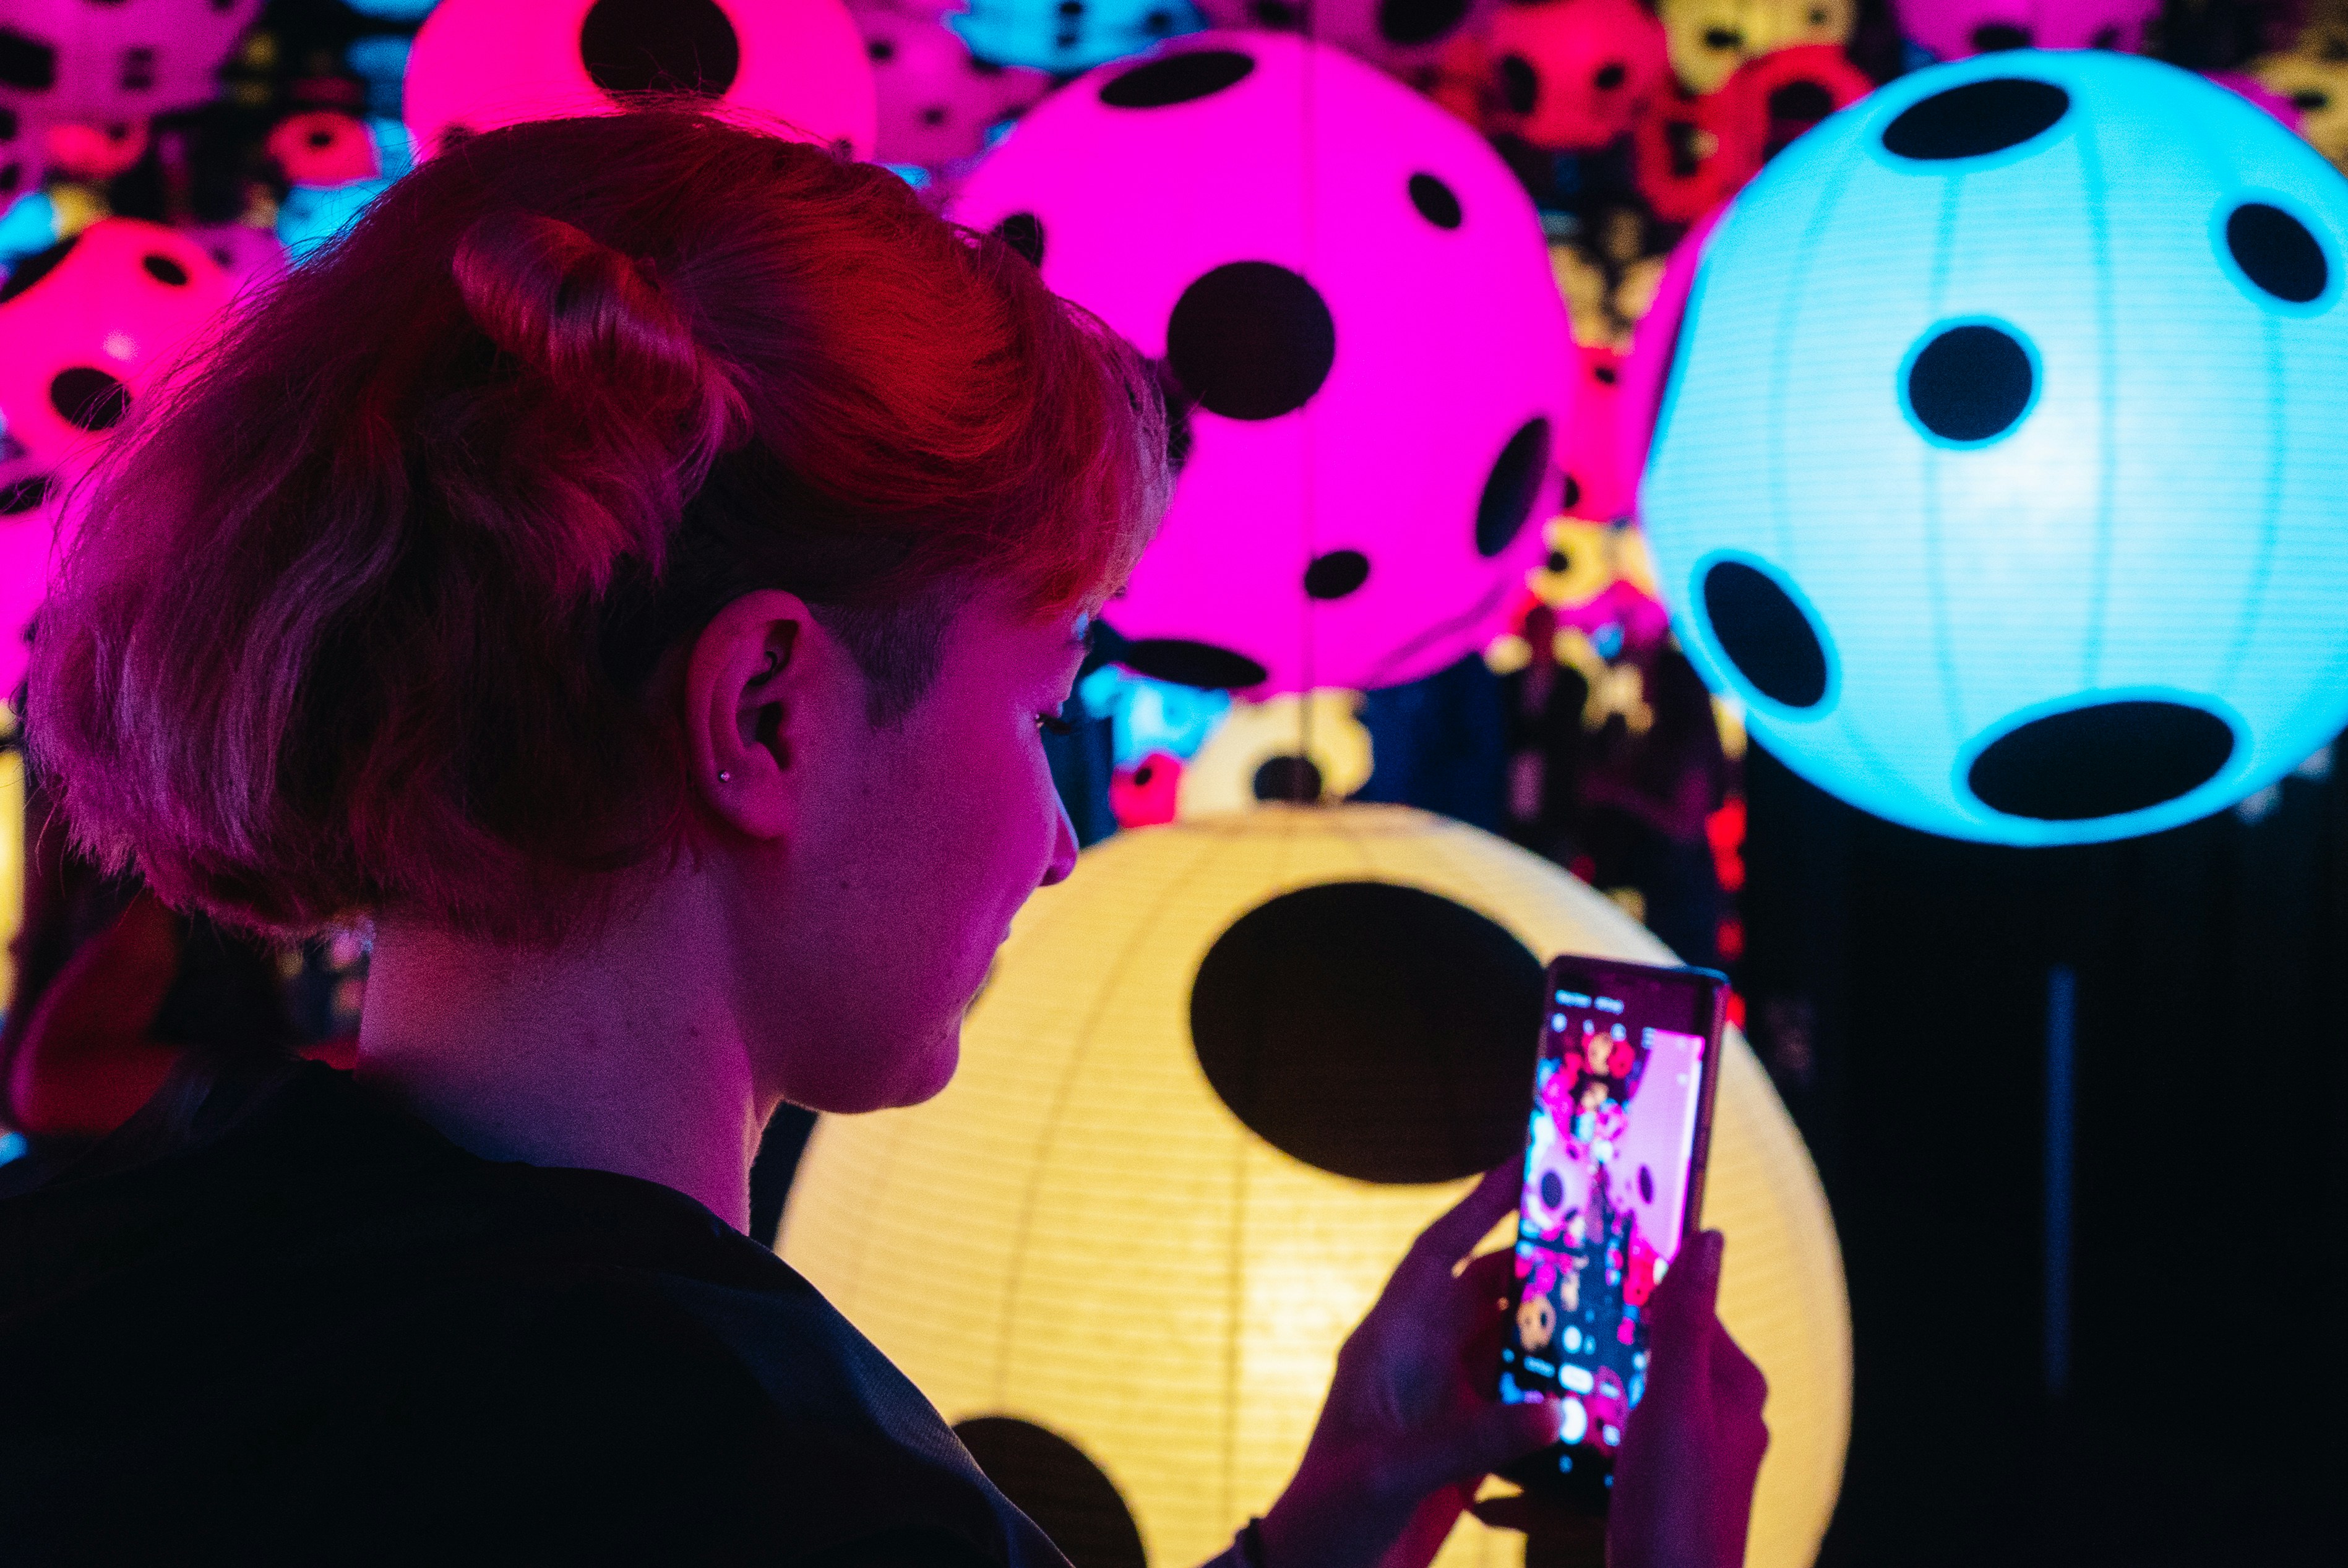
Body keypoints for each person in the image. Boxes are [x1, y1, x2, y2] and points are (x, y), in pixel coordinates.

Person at [1, 108, 1766, 1566]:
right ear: (767, 711)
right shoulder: (745, 1474)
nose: (1062, 838)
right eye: (1038, 702)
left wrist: (1347, 1499)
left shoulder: (123, 1256)